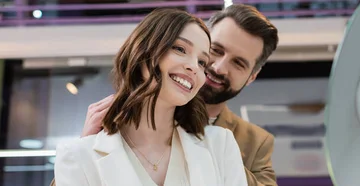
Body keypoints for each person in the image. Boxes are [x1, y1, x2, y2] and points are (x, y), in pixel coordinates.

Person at [51, 4, 280, 186]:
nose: (217, 67)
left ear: (252, 76)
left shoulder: (235, 143)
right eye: (214, 52)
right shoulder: (88, 144)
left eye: (238, 63)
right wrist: (89, 145)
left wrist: (223, 159)